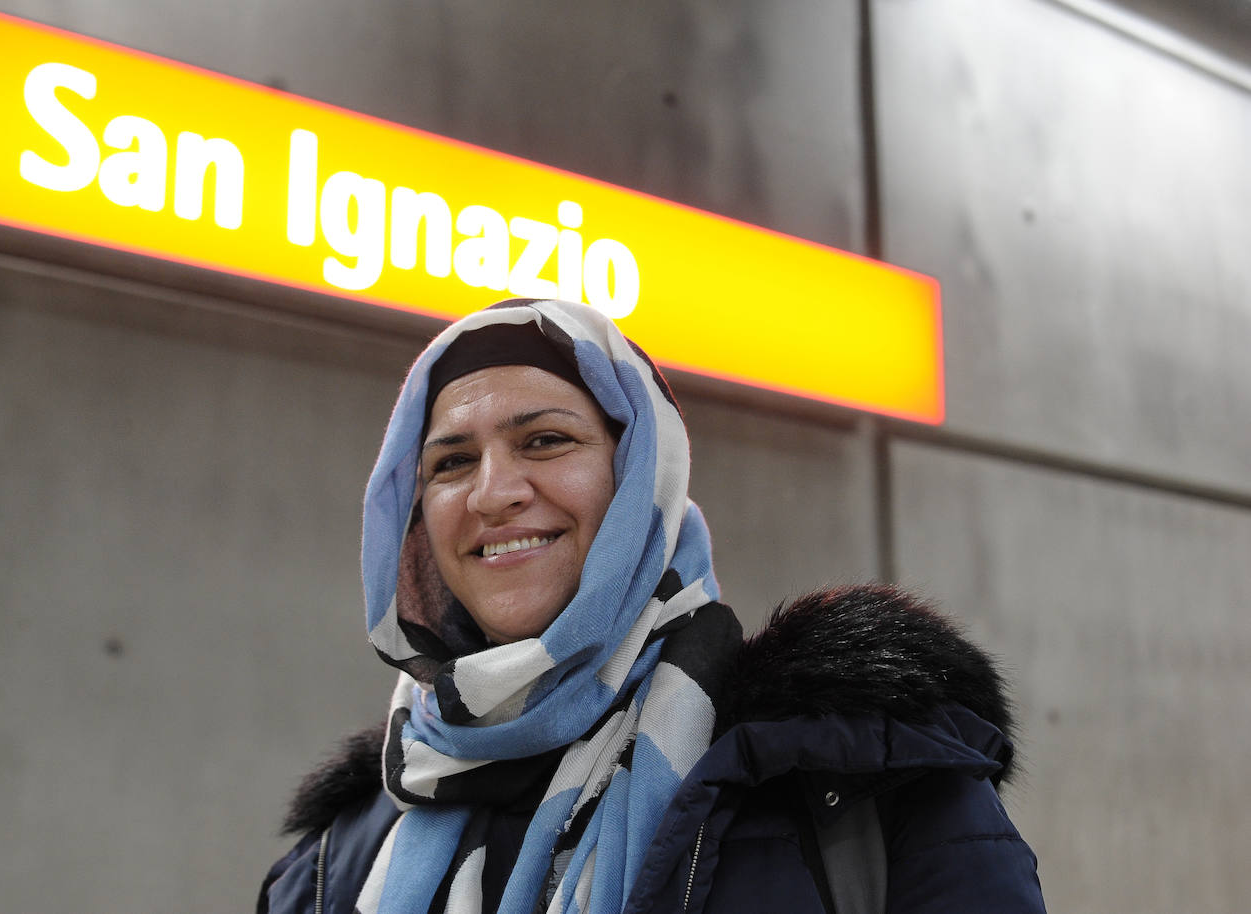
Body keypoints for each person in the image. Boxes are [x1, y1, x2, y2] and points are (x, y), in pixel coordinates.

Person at [258, 299, 1046, 914]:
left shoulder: (859, 780)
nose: (495, 492)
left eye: (545, 441)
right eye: (452, 463)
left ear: (639, 479)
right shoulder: (332, 868)